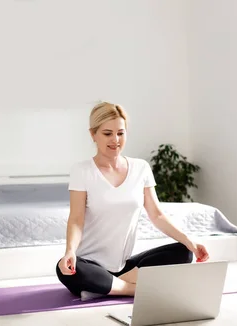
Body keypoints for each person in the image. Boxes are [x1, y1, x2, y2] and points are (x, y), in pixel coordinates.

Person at [55, 101, 209, 301]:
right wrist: (70, 251)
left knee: (183, 252)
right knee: (63, 269)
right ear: (93, 134)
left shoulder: (141, 168)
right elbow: (76, 218)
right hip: (89, 264)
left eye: (120, 133)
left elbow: (157, 214)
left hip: (124, 266)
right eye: (107, 133)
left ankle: (109, 286)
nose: (115, 140)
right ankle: (133, 288)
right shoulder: (82, 171)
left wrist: (190, 242)